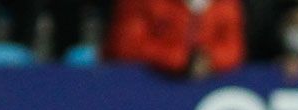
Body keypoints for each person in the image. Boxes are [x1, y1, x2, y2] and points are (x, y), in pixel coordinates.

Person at [103, 0, 246, 79]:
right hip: (142, 88)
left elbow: (234, 48)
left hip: (205, 87)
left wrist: (208, 59)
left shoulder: (225, 4)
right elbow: (126, 46)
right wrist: (180, 59)